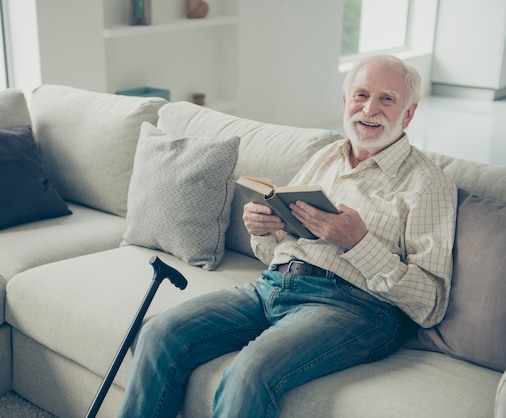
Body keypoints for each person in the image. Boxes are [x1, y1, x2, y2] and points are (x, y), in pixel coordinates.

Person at [117, 55, 458, 418]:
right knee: (158, 334)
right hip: (273, 286)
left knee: (248, 371)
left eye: (386, 99)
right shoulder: (326, 157)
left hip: (354, 308)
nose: (369, 109)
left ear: (408, 113)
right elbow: (278, 249)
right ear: (346, 102)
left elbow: (431, 303)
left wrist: (359, 243)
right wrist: (264, 229)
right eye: (361, 95)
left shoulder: (427, 183)